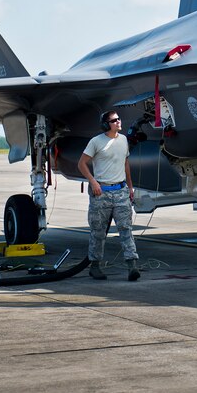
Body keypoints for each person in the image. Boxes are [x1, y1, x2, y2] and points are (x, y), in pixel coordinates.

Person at [77, 110, 140, 281]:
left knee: (126, 229)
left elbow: (125, 163)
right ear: (106, 124)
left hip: (121, 192)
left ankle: (132, 265)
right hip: (101, 193)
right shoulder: (96, 142)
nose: (119, 122)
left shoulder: (124, 140)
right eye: (114, 120)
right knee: (98, 232)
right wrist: (93, 181)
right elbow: (82, 163)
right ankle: (95, 266)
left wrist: (130, 186)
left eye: (119, 119)